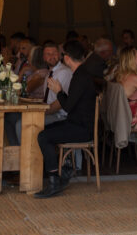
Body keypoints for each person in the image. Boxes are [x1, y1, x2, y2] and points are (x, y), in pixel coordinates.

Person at [34, 40, 97, 198]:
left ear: (67, 58)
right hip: (77, 123)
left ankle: (54, 180)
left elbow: (68, 106)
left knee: (43, 137)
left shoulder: (80, 76)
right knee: (44, 131)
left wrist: (59, 91)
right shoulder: (81, 74)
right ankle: (65, 168)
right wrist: (61, 92)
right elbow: (73, 103)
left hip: (81, 128)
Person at [41, 40, 73, 121]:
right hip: (51, 114)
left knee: (21, 125)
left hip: (61, 116)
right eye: (48, 54)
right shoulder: (50, 74)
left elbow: (60, 103)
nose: (52, 56)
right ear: (43, 57)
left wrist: (43, 113)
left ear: (59, 55)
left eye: (54, 53)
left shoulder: (64, 72)